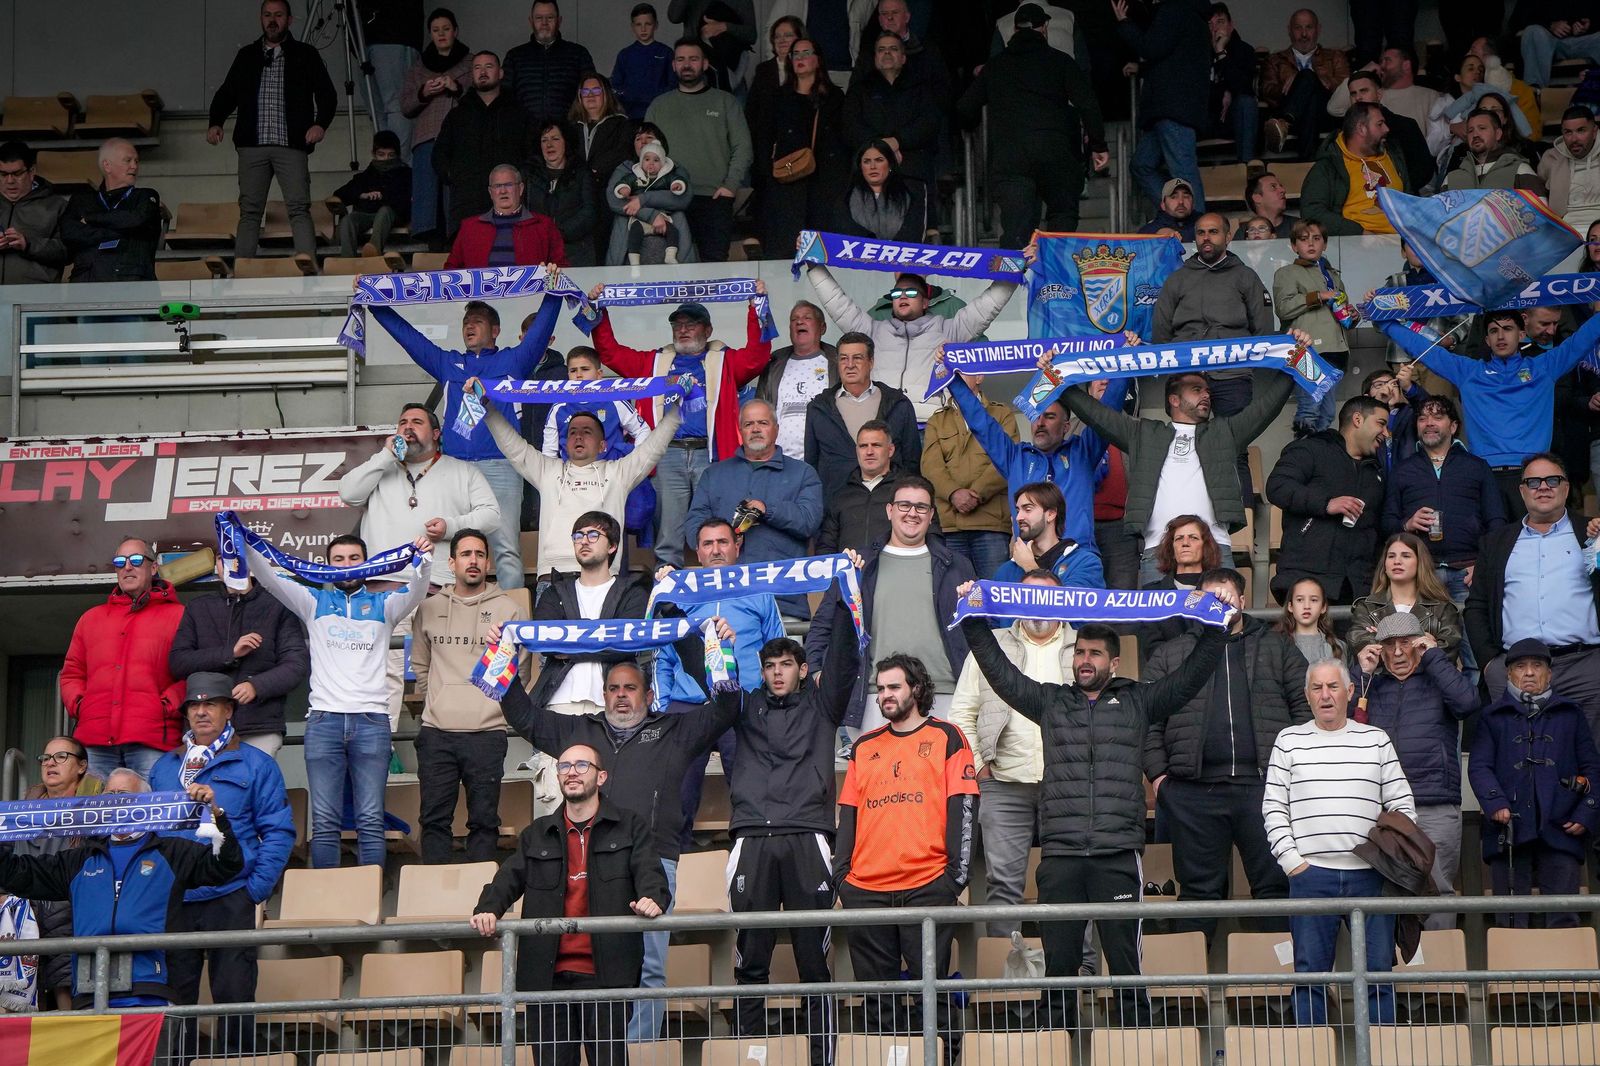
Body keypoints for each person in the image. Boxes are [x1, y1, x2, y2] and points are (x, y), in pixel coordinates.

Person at [959, 582, 1232, 1029]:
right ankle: (1055, 1045)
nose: (1084, 660)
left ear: (1115, 662)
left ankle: (1133, 1046)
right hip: (1062, 854)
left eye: (1094, 654)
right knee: (1060, 970)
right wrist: (972, 619)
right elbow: (1000, 674)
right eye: (1080, 653)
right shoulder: (1051, 701)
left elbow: (1190, 678)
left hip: (1117, 854)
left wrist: (1216, 629)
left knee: (1126, 967)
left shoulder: (1139, 701)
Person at [497, 638, 741, 1043]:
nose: (621, 696)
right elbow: (525, 717)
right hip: (585, 858)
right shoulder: (581, 730)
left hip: (652, 863)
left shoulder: (674, 730)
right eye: (613, 688)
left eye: (630, 688)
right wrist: (503, 657)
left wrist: (703, 644)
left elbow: (728, 707)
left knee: (648, 967)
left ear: (648, 694)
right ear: (604, 694)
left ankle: (638, 1051)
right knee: (591, 963)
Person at [471, 743, 669, 1066]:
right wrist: (488, 908)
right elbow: (508, 877)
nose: (571, 772)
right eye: (564, 766)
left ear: (601, 776)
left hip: (608, 977)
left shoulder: (631, 827)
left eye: (581, 765)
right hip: (547, 979)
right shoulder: (537, 834)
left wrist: (652, 898)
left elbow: (650, 872)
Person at [247, 530, 434, 870]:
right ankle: (326, 905)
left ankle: (370, 903)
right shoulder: (312, 601)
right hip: (324, 721)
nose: (346, 566)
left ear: (367, 564)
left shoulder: (385, 604)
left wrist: (424, 559)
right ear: (327, 565)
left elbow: (418, 588)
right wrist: (241, 538)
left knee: (370, 819)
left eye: (353, 559)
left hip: (372, 722)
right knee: (325, 820)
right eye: (338, 560)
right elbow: (268, 576)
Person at [1145, 568, 1310, 944]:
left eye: (1226, 595)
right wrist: (1160, 778)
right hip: (1192, 792)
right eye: (1209, 597)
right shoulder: (1172, 654)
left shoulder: (1276, 646)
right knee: (1198, 897)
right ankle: (1187, 996)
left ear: (1242, 600)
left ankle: (1279, 993)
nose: (1219, 603)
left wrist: (1291, 773)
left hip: (1264, 789)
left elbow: (1304, 708)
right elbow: (1147, 719)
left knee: (1273, 891)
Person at [723, 621, 861, 1066]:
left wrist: (843, 594)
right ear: (760, 672)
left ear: (803, 669)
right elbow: (703, 668)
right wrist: (703, 631)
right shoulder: (743, 707)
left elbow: (845, 661)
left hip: (808, 836)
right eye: (769, 666)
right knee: (751, 963)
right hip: (753, 838)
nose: (777, 673)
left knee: (813, 962)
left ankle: (823, 1059)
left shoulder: (822, 706)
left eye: (786, 665)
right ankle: (751, 1057)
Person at [1056, 350, 1304, 588]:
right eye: (1196, 390)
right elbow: (1095, 414)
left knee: (1222, 628)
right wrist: (1057, 377)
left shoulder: (1224, 432)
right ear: (1174, 399)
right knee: (1160, 631)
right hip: (1158, 551)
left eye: (1207, 390)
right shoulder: (1143, 433)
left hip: (1214, 548)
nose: (1206, 395)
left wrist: (1295, 359)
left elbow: (1267, 407)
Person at [835, 653, 977, 1062]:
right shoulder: (863, 747)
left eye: (894, 687)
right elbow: (849, 817)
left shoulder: (949, 737)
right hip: (866, 890)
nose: (885, 695)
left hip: (928, 887)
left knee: (932, 995)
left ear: (916, 688)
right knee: (878, 1005)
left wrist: (955, 878)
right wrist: (843, 877)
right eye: (880, 689)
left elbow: (964, 807)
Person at [0, 772, 242, 1009]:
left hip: (153, 991)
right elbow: (16, 874)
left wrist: (216, 815)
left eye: (123, 794)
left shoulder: (173, 853)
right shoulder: (80, 859)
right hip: (89, 992)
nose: (115, 800)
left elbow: (227, 865)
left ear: (147, 802)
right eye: (110, 794)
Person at [1263, 659, 1416, 1024]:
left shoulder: (1375, 739)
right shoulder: (1289, 741)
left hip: (1371, 876)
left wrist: (1387, 856)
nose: (1325, 695)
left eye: (1333, 687)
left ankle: (1383, 1053)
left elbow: (1403, 806)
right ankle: (1310, 1055)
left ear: (1349, 693)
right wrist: (1292, 862)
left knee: (1378, 973)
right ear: (1307, 695)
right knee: (1310, 975)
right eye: (1317, 688)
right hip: (1310, 875)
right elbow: (1272, 807)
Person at [369, 299, 561, 589]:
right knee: (450, 544)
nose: (469, 326)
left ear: (495, 330)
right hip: (453, 467)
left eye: (478, 321)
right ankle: (452, 608)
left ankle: (510, 621)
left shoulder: (514, 361)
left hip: (501, 465)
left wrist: (554, 294)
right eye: (465, 322)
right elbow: (409, 337)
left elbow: (540, 330)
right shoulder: (447, 363)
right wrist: (375, 304)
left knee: (506, 547)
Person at [151, 673, 294, 1057]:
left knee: (233, 996)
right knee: (174, 998)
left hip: (231, 895)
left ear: (228, 710)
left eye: (209, 704)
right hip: (175, 899)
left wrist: (254, 890)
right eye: (193, 706)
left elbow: (279, 833)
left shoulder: (257, 764)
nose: (200, 712)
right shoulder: (164, 767)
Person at [591, 292, 773, 567]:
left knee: (722, 531)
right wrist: (598, 310)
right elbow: (609, 352)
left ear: (708, 330)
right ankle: (667, 602)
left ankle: (723, 592)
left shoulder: (726, 361)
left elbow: (758, 355)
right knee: (668, 538)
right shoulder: (652, 363)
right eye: (678, 325)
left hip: (711, 456)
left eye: (692, 324)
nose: (684, 329)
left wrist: (755, 306)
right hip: (667, 456)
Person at [948, 569, 1070, 937]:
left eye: (1045, 596)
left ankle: (1078, 975)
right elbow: (962, 714)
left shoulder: (1082, 646)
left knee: (1070, 883)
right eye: (1028, 596)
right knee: (1002, 885)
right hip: (1002, 783)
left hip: (1066, 787)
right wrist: (981, 770)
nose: (1037, 605)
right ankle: (1004, 984)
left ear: (1062, 601)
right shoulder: (991, 644)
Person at [1374, 308, 1600, 499]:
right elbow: (1422, 348)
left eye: (1508, 329)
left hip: (1533, 475)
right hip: (1484, 475)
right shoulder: (1468, 371)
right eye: (1494, 331)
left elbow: (1583, 339)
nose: (1501, 336)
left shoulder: (1544, 367)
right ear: (1487, 340)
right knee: (1492, 546)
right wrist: (1381, 316)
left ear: (1522, 334)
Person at [807, 476, 976, 732]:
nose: (912, 513)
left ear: (931, 515)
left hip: (946, 693)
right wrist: (818, 669)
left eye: (921, 507)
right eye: (904, 505)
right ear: (889, 510)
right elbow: (825, 621)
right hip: (875, 695)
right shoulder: (859, 563)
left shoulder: (956, 565)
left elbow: (979, 628)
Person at [652, 518, 786, 839]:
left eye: (723, 542)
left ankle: (750, 866)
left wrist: (772, 706)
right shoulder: (680, 592)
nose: (716, 550)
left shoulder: (759, 589)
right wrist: (662, 708)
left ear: (737, 547)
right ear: (697, 552)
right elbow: (663, 656)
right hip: (688, 705)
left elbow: (779, 651)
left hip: (742, 703)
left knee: (750, 797)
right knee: (675, 800)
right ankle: (672, 876)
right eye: (708, 544)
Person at [484, 382, 681, 589]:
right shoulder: (547, 471)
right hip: (552, 577)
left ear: (603, 444)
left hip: (604, 577)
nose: (578, 436)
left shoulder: (619, 473)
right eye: (572, 432)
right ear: (566, 442)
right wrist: (486, 406)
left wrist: (677, 408)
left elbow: (654, 447)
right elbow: (513, 446)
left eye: (587, 432)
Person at [1354, 613, 1478, 930]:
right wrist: (1360, 673)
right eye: (1389, 645)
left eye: (1405, 643)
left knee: (1437, 893)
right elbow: (1343, 726)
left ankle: (1440, 976)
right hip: (1383, 809)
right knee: (1381, 895)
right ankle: (1390, 977)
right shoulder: (1371, 685)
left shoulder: (1439, 678)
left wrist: (1434, 656)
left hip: (1434, 804)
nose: (1397, 652)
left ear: (1418, 644)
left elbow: (1467, 703)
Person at [412, 529, 527, 862]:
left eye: (479, 554)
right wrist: (441, 698)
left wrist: (489, 707)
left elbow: (520, 671)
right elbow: (421, 666)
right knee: (433, 821)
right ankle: (435, 901)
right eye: (465, 554)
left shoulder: (509, 610)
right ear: (451, 562)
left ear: (489, 562)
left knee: (484, 822)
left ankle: (482, 902)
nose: (473, 561)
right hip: (437, 734)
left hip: (487, 734)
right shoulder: (429, 608)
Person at [1466, 453, 1600, 738]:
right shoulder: (1496, 542)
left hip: (1585, 669)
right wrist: (1490, 663)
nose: (1543, 487)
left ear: (1566, 488)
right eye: (1534, 481)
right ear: (1522, 490)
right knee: (1519, 766)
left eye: (1553, 480)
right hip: (1516, 670)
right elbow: (1476, 606)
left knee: (1590, 766)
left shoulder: (1592, 533)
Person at [1470, 639, 1600, 928]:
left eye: (1537, 665)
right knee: (1510, 918)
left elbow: (1592, 767)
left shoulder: (1571, 713)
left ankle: (1565, 973)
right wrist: (1496, 803)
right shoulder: (1493, 717)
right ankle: (1512, 973)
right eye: (1520, 666)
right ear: (1509, 674)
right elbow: (1479, 766)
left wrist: (1585, 813)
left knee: (1564, 915)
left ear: (1549, 674)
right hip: (1509, 829)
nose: (1529, 672)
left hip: (1562, 826)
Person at [958, 4, 1107, 244]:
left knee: (1018, 232)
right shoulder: (1061, 61)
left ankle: (1015, 279)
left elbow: (965, 109)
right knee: (1062, 221)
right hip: (1056, 154)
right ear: (1044, 27)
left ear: (1014, 30)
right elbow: (1088, 104)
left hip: (1011, 158)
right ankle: (1057, 278)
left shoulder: (995, 67)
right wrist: (1099, 145)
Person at [802, 261, 1019, 423]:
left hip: (930, 426)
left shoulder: (948, 329)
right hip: (884, 426)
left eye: (911, 292)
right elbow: (839, 305)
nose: (903, 296)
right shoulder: (873, 332)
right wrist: (814, 266)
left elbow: (987, 306)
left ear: (925, 302)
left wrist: (1015, 267)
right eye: (897, 292)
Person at [206, 0, 336, 261]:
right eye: (267, 15)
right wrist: (216, 121)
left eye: (278, 15)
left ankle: (307, 269)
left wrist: (320, 123)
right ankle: (243, 271)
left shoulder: (305, 54)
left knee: (298, 208)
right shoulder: (247, 55)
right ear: (260, 18)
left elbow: (327, 94)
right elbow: (227, 93)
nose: (272, 20)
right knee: (250, 211)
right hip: (252, 145)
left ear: (290, 19)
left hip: (292, 144)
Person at [60, 535, 186, 780]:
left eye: (136, 560)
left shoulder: (179, 616)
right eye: (120, 561)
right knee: (96, 815)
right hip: (95, 740)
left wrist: (166, 706)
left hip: (152, 738)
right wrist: (80, 706)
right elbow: (72, 672)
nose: (127, 566)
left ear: (153, 567)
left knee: (153, 815)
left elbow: (192, 670)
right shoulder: (91, 619)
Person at [684, 399, 823, 617]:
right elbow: (693, 527)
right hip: (723, 597)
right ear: (740, 430)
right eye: (749, 424)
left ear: (776, 429)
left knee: (784, 653)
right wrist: (720, 539)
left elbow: (809, 522)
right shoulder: (715, 474)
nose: (756, 429)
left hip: (783, 600)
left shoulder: (802, 473)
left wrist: (767, 509)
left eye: (763, 423)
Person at [168, 556, 310, 759]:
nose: (230, 565)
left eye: (238, 558)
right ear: (216, 567)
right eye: (222, 559)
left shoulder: (278, 605)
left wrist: (256, 686)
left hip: (258, 725)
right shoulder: (198, 607)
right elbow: (179, 663)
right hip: (205, 729)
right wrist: (230, 653)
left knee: (254, 789)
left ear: (252, 564)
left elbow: (295, 665)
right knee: (205, 790)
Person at [1381, 394, 1505, 608]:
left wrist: (1484, 565)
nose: (1429, 423)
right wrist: (1406, 525)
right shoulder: (1403, 469)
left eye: (1438, 417)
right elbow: (1385, 522)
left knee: (1470, 640)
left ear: (1453, 426)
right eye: (1422, 418)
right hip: (1421, 573)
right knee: (1422, 640)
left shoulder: (1477, 466)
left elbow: (1496, 522)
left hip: (1469, 571)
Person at [526, 512, 651, 722]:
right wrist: (604, 633)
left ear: (612, 546)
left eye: (593, 535)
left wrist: (571, 645)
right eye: (578, 535)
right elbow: (546, 643)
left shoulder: (633, 592)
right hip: (558, 701)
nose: (584, 541)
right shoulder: (554, 592)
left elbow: (627, 643)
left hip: (614, 703)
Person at [1266, 395, 1390, 605]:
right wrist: (1326, 503)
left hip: (1356, 589)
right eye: (1381, 423)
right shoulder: (1312, 449)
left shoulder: (1376, 472)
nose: (1386, 433)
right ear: (1358, 419)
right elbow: (1278, 486)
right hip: (1306, 580)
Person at [645, 38, 754, 262]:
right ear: (674, 65)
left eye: (693, 59)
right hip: (669, 199)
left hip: (714, 198)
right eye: (681, 59)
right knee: (670, 270)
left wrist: (730, 185)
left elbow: (743, 147)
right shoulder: (658, 106)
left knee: (714, 268)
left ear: (705, 64)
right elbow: (646, 152)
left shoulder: (726, 102)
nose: (687, 64)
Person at [13, 738, 102, 1011]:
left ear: (81, 766)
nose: (50, 763)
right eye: (46, 757)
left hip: (73, 917)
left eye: (61, 756)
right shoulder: (21, 811)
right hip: (26, 917)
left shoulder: (96, 809)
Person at [748, 35, 848, 257]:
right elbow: (763, 138)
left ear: (818, 60)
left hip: (824, 182)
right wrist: (768, 174)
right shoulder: (778, 97)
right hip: (786, 182)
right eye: (795, 54)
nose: (800, 58)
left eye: (806, 53)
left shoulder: (834, 97)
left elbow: (842, 141)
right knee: (784, 247)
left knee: (822, 250)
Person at [1113, 0, 1208, 212]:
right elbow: (1174, 57)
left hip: (1173, 108)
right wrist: (1143, 68)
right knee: (1141, 165)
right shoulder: (1190, 12)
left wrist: (1124, 23)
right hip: (1171, 108)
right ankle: (1177, 215)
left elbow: (1151, 47)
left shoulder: (1175, 8)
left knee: (1184, 176)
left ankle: (1198, 235)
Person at [803, 331, 921, 501]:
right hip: (836, 509)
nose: (849, 365)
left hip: (887, 506)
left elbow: (912, 462)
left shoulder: (898, 404)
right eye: (844, 358)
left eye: (857, 358)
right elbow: (811, 465)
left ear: (871, 362)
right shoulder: (818, 408)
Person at [924, 371, 1016, 580]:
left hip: (991, 524)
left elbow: (1009, 460)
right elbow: (931, 467)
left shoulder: (1002, 414)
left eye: (961, 372)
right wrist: (954, 493)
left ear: (980, 377)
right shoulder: (937, 420)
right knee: (954, 600)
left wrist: (976, 493)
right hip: (950, 525)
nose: (954, 377)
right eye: (952, 373)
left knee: (995, 599)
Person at [433, 50, 533, 235]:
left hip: (510, 209)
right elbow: (439, 154)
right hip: (466, 206)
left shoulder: (518, 113)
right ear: (472, 75)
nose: (483, 71)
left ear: (501, 73)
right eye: (477, 67)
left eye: (489, 66)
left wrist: (520, 179)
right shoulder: (458, 115)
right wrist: (454, 175)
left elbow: (531, 153)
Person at [401, 8, 471, 243]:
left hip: (458, 138)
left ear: (456, 31)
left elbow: (480, 99)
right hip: (426, 138)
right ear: (430, 34)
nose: (441, 34)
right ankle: (430, 243)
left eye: (446, 29)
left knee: (454, 195)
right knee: (428, 198)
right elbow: (405, 106)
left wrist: (457, 88)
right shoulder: (418, 66)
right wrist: (424, 92)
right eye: (435, 30)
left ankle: (455, 241)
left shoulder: (470, 62)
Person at [1274, 219, 1349, 435]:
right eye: (1303, 239)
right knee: (1310, 410)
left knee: (1327, 414)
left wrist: (1350, 313)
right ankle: (1303, 459)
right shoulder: (1287, 273)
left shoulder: (1333, 275)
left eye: (1317, 238)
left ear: (1325, 244)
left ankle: (1317, 460)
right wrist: (1319, 296)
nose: (1311, 244)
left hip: (1336, 349)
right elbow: (1283, 308)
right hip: (1309, 350)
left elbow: (1340, 310)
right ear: (1293, 246)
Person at [843, 30, 940, 191]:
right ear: (875, 58)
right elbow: (850, 126)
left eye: (893, 49)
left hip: (913, 170)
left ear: (903, 58)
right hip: (870, 175)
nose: (887, 52)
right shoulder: (859, 90)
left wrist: (898, 141)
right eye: (881, 49)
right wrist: (880, 146)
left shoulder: (921, 88)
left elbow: (929, 123)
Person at [1301, 101, 1410, 237]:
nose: (1386, 129)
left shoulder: (1394, 156)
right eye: (1379, 124)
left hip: (1403, 242)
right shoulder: (1329, 166)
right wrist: (1359, 233)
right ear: (1361, 128)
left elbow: (1410, 200)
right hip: (1356, 246)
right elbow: (1311, 211)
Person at [1349, 533, 1465, 658]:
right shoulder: (1367, 607)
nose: (1397, 561)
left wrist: (1384, 637)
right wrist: (1420, 639)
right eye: (1391, 556)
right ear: (1385, 565)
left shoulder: (1443, 608)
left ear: (1420, 562)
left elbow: (1447, 653)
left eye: (1406, 556)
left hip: (1428, 677)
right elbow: (1361, 646)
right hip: (1381, 677)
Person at [60, 139, 160, 283]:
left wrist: (91, 219)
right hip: (86, 284)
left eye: (137, 161)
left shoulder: (146, 196)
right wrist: (121, 232)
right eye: (128, 160)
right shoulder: (81, 200)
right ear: (107, 166)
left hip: (132, 285)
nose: (134, 166)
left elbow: (137, 219)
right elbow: (69, 233)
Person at [754, 300, 838, 463]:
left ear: (822, 328)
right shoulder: (774, 362)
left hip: (823, 460)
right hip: (781, 461)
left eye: (807, 317)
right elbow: (761, 408)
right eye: (794, 319)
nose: (799, 321)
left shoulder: (837, 361)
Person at [1261, 9, 1350, 161]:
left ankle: (1285, 123)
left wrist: (1314, 78)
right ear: (1289, 30)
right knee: (1310, 101)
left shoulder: (1335, 57)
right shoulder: (1275, 60)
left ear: (1318, 29)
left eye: (1309, 27)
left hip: (1327, 114)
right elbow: (1266, 91)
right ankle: (1308, 163)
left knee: (1308, 78)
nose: (1303, 34)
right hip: (1290, 109)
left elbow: (1346, 88)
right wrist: (1296, 85)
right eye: (1298, 28)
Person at [444, 163, 567, 268]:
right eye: (497, 186)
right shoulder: (469, 227)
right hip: (482, 295)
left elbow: (561, 267)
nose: (503, 191)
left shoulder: (544, 225)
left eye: (508, 184)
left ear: (521, 188)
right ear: (490, 192)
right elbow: (450, 271)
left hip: (530, 295)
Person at [1139, 514, 1225, 664]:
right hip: (1167, 675)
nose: (1185, 543)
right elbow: (1151, 647)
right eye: (1179, 538)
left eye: (1193, 537)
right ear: (1171, 548)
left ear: (1205, 546)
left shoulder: (1220, 592)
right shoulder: (1151, 594)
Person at [573, 75, 637, 261]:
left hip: (607, 196)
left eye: (596, 90)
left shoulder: (621, 123)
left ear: (606, 94)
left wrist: (595, 169)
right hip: (578, 198)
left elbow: (623, 153)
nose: (590, 95)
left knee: (606, 248)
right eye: (585, 91)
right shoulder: (571, 126)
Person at [994, 480, 1104, 588]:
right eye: (1018, 511)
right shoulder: (1007, 569)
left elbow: (1069, 604)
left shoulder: (1084, 563)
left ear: (1051, 514)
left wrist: (1031, 568)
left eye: (1027, 509)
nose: (1018, 518)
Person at [503, 0, 595, 129]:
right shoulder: (515, 56)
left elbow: (592, 93)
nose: (544, 23)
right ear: (531, 21)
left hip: (568, 134)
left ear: (559, 20)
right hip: (525, 137)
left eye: (550, 17)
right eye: (539, 18)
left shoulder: (578, 54)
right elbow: (504, 99)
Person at [817, 420, 903, 557]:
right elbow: (826, 546)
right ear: (857, 450)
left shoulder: (907, 490)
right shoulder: (841, 495)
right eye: (863, 446)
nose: (869, 451)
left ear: (890, 450)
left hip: (894, 573)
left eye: (876, 445)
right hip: (850, 575)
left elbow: (930, 537)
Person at [606, 137, 694, 265]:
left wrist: (642, 199)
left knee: (673, 232)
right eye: (638, 138)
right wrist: (623, 190)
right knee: (635, 231)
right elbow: (620, 193)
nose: (651, 163)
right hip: (637, 222)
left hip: (665, 218)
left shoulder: (669, 174)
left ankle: (670, 255)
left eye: (649, 138)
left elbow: (681, 195)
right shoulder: (631, 174)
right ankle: (634, 260)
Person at [1328, 46, 1441, 145]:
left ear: (1406, 65)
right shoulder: (1370, 92)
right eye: (1381, 61)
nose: (1381, 65)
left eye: (1387, 60)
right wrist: (1361, 73)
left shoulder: (1430, 96)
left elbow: (1438, 138)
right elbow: (1334, 108)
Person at [528, 122, 599, 267]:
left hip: (576, 253)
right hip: (538, 252)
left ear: (566, 142)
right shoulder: (529, 175)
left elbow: (589, 212)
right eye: (544, 140)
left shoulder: (582, 173)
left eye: (555, 139)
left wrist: (557, 233)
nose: (549, 144)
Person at [332, 130, 413, 256]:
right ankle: (347, 260)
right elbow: (338, 195)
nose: (386, 159)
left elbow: (405, 202)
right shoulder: (365, 176)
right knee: (349, 219)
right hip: (367, 215)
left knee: (384, 211)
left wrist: (383, 197)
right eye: (381, 155)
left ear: (397, 155)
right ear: (374, 154)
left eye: (390, 155)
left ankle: (373, 249)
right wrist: (362, 194)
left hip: (393, 216)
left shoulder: (406, 174)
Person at [358, 0, 423, 152]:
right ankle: (385, 159)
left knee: (396, 106)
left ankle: (399, 163)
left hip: (395, 32)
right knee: (376, 110)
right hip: (365, 36)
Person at [0, 141, 67, 284]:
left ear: (32, 172)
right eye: (3, 174)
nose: (10, 181)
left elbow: (68, 251)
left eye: (17, 174)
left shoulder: (56, 206)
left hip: (36, 298)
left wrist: (28, 244)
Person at [836, 139, 928, 242]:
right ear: (860, 166)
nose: (873, 166)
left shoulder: (912, 191)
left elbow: (914, 232)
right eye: (866, 161)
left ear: (890, 164)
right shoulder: (846, 193)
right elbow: (844, 231)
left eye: (879, 160)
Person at [1443, 109, 1547, 193]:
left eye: (1482, 128)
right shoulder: (1451, 178)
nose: (1475, 135)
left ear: (1498, 134)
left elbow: (1539, 212)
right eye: (1470, 131)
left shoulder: (1519, 170)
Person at [1206, 4, 1259, 162]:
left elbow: (1244, 88)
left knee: (1246, 102)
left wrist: (1221, 52)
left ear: (1231, 26)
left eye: (1220, 22)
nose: (1215, 28)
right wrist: (1224, 91)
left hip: (1233, 118)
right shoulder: (1196, 53)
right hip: (1206, 117)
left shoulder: (1244, 50)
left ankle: (1247, 167)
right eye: (1210, 24)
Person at [1537, 106, 1600, 233]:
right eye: (1568, 132)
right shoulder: (1551, 158)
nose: (1574, 139)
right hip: (1564, 231)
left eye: (1581, 130)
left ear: (1594, 132)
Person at [671, 0, 759, 90]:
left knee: (731, 101)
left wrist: (725, 26)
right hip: (696, 68)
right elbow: (673, 17)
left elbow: (752, 35)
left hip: (730, 67)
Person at [612, 3, 676, 120]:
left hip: (660, 115)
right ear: (632, 27)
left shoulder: (666, 53)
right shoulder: (625, 55)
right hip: (630, 116)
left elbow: (673, 85)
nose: (643, 29)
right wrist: (629, 96)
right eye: (638, 24)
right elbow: (615, 86)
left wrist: (644, 96)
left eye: (648, 24)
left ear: (656, 25)